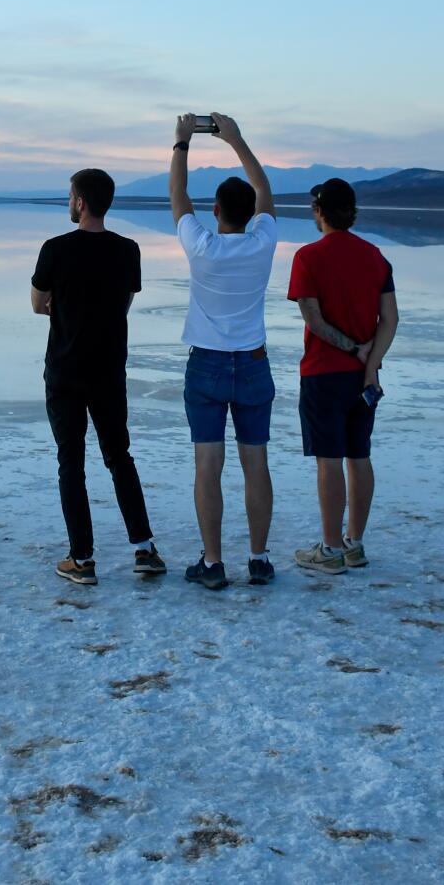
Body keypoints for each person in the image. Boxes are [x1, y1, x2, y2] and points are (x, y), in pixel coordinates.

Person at [32, 169, 161, 585]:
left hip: (65, 370)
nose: (69, 202)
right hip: (108, 370)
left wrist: (63, 306)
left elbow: (38, 303)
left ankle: (82, 560)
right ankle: (143, 549)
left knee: (71, 462)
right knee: (119, 455)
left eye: (70, 195)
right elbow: (123, 302)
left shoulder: (55, 249)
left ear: (81, 202)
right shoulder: (128, 250)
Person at [168, 112, 278, 590]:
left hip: (207, 365)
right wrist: (236, 140)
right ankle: (258, 558)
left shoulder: (203, 248)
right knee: (256, 463)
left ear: (215, 211)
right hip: (253, 365)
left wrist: (181, 142)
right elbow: (265, 190)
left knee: (207, 465)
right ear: (249, 212)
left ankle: (213, 563)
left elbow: (177, 198)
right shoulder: (264, 243)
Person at [287, 178, 398, 576]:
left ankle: (331, 549)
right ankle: (355, 544)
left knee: (329, 459)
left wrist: (354, 349)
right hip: (362, 379)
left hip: (323, 374)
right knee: (359, 455)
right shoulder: (375, 256)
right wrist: (370, 363)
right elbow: (391, 319)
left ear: (318, 211)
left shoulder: (308, 257)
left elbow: (314, 321)